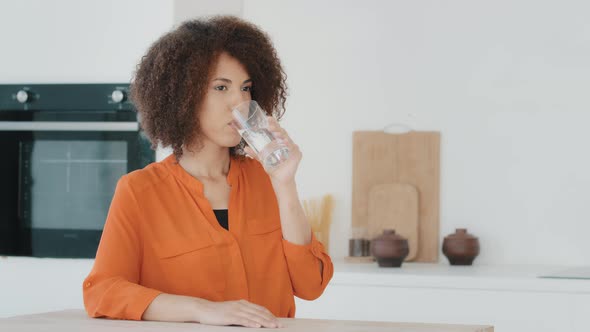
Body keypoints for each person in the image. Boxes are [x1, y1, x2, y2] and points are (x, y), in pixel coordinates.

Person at [82, 15, 333, 328]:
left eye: (246, 88)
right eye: (221, 87)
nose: (239, 101)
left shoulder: (268, 180)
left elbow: (311, 285)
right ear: (182, 97)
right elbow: (103, 291)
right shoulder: (139, 191)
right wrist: (201, 310)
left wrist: (285, 184)